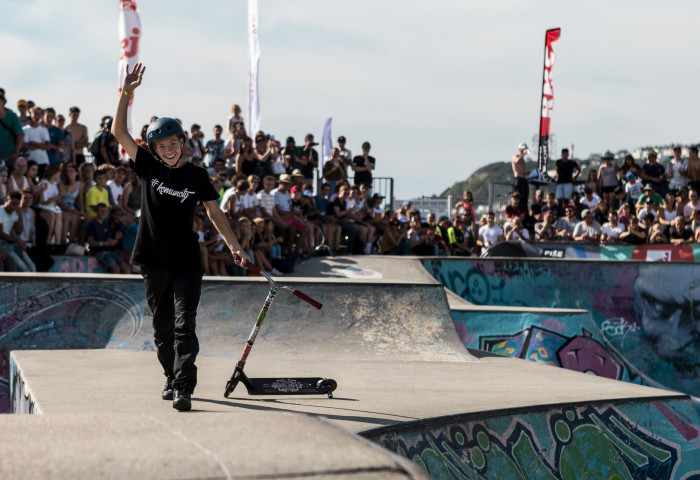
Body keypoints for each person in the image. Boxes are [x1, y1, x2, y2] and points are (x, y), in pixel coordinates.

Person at [111, 63, 249, 411]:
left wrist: (234, 245)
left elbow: (216, 213)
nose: (170, 149)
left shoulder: (197, 176)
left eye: (175, 143)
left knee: (185, 326)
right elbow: (118, 131)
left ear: (183, 144)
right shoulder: (147, 166)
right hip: (153, 260)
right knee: (162, 332)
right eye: (163, 145)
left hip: (187, 262)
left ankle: (184, 386)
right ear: (154, 149)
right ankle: (171, 378)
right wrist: (127, 90)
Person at [0, 191, 36, 272]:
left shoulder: (15, 213)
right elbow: (1, 234)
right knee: (24, 269)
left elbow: (18, 231)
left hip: (10, 244)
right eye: (12, 203)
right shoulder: (0, 211)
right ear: (6, 200)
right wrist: (18, 241)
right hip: (3, 244)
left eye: (16, 204)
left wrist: (20, 216)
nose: (13, 207)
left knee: (32, 267)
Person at [22, 106, 51, 177]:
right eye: (35, 114)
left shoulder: (44, 130)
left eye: (39, 114)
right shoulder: (25, 129)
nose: (37, 116)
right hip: (30, 160)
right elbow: (28, 147)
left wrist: (33, 143)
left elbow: (47, 147)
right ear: (31, 114)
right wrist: (41, 145)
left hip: (43, 161)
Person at [0, 91, 24, 167]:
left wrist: (16, 152)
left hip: (10, 158)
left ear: (3, 101)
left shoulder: (12, 116)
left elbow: (20, 134)